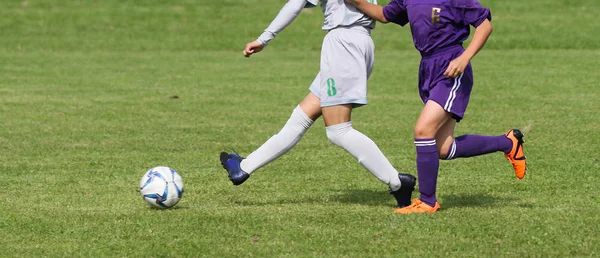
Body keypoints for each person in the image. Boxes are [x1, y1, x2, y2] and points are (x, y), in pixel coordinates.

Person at [219, 0, 417, 209]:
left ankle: (397, 182)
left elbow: (296, 3)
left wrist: (263, 39)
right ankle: (243, 167)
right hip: (358, 42)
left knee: (338, 130)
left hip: (343, 45)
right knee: (301, 117)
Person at [346, 0, 527, 214]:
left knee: (423, 130)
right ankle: (508, 142)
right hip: (428, 68)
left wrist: (464, 58)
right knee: (443, 148)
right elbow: (385, 14)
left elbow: (485, 25)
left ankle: (428, 202)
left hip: (452, 68)